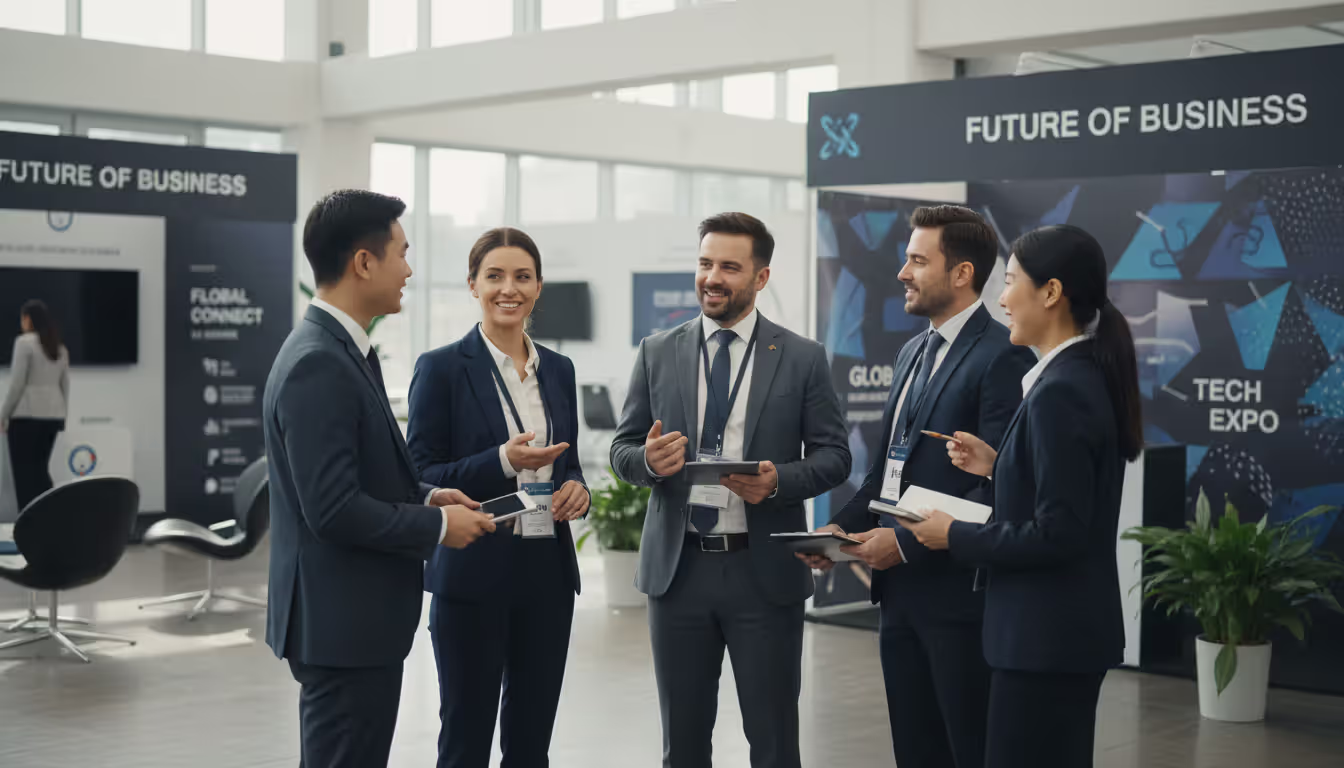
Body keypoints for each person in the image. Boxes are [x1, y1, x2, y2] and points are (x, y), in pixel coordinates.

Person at [263, 189, 496, 768]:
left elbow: (353, 475)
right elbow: (333, 509)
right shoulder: (320, 361)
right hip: (343, 629)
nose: (409, 270)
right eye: (402, 252)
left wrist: (426, 494)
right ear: (364, 262)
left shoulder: (342, 350)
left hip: (350, 625)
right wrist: (439, 524)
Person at [610, 212, 851, 768]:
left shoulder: (801, 356)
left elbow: (835, 456)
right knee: (683, 745)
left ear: (760, 278)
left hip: (761, 575)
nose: (712, 277)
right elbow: (624, 449)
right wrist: (646, 460)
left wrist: (777, 482)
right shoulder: (657, 350)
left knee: (772, 744)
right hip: (678, 575)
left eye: (729, 267)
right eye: (704, 263)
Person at [898, 224, 1141, 768]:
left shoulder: (1062, 391)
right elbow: (1061, 496)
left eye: (1009, 283)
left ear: (1050, 293)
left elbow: (1059, 532)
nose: (1001, 299)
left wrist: (953, 534)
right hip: (1052, 637)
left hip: (1046, 639)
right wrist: (999, 462)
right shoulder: (1072, 379)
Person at [800, 206, 1035, 768]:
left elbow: (1005, 486)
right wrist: (841, 528)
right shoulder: (910, 353)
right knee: (915, 749)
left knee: (968, 751)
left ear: (961, 273)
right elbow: (887, 474)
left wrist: (902, 543)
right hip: (899, 597)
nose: (902, 272)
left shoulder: (1005, 355)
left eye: (916, 260)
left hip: (960, 601)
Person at [407, 227, 590, 768]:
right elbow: (419, 473)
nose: (508, 288)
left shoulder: (559, 369)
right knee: (465, 738)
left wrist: (576, 488)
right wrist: (503, 461)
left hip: (547, 575)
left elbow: (568, 460)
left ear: (538, 288)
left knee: (532, 742)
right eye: (495, 276)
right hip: (471, 576)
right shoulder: (440, 368)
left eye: (522, 276)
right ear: (472, 285)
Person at [1, 300, 70, 511]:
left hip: (26, 416)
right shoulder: (59, 346)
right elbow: (65, 385)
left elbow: (17, 384)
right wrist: (63, 417)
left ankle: (27, 525)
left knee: (24, 475)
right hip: (53, 417)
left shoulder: (24, 342)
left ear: (28, 319)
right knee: (40, 471)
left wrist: (3, 414)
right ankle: (47, 519)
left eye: (22, 318)